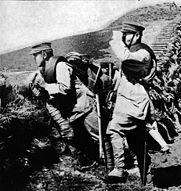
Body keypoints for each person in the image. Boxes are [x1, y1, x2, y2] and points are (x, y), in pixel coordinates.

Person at [28, 43, 100, 168]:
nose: (34, 58)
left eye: (36, 55)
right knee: (83, 141)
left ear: (44, 54)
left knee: (98, 136)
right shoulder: (45, 70)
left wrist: (45, 86)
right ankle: (96, 164)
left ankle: (119, 165)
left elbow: (65, 88)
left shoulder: (60, 66)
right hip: (73, 111)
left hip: (84, 106)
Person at [104, 21, 158, 184]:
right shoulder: (135, 51)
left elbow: (124, 58)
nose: (124, 37)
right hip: (127, 100)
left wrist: (116, 39)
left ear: (136, 35)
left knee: (114, 130)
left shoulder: (142, 53)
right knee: (136, 141)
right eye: (123, 34)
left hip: (135, 102)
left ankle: (119, 170)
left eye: (126, 34)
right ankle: (146, 176)